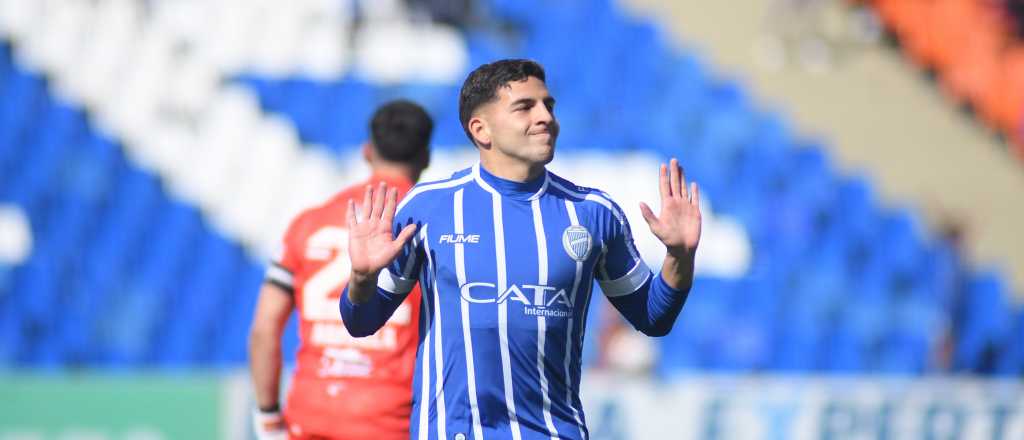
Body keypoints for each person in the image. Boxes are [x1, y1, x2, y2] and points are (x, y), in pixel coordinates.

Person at [339, 59, 702, 440]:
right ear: (481, 130)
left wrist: (680, 256)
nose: (546, 117)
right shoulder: (427, 208)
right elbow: (361, 321)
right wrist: (361, 278)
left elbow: (653, 317)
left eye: (549, 105)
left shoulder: (593, 214)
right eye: (525, 107)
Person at [248, 100, 434, 440]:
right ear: (425, 157)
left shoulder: (307, 224)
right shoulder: (431, 228)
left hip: (310, 415)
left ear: (367, 152)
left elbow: (264, 328)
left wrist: (269, 418)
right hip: (390, 420)